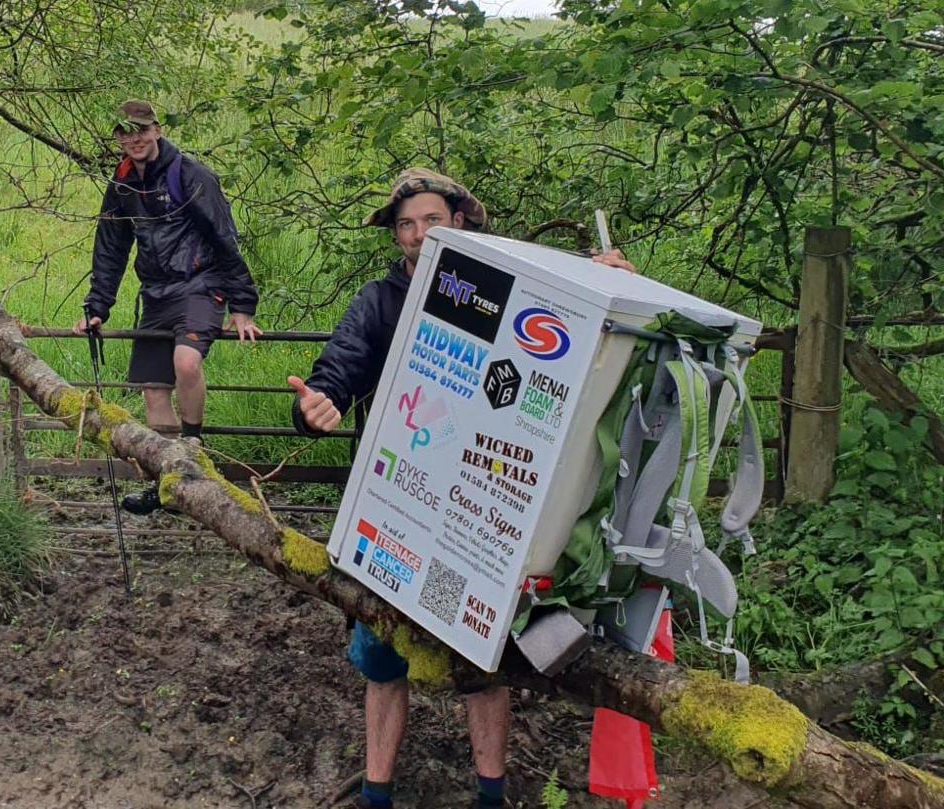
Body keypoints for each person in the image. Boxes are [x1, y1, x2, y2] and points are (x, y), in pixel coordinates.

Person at [289, 168, 634, 809]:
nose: (418, 235)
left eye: (431, 221)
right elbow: (339, 367)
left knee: (481, 656)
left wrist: (607, 280)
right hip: (396, 507)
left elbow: (581, 328)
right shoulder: (380, 301)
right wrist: (321, 404)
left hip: (481, 514)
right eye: (406, 225)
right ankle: (376, 793)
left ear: (462, 222)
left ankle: (490, 794)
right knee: (382, 653)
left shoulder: (514, 286)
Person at [74, 100, 261, 514]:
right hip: (156, 293)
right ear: (118, 138)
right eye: (125, 132)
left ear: (157, 130)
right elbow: (111, 247)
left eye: (141, 130)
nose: (134, 138)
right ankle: (168, 483)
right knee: (154, 393)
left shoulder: (191, 176)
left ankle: (193, 448)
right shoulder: (122, 183)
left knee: (187, 362)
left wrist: (242, 305)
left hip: (200, 286)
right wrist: (97, 306)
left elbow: (223, 237)